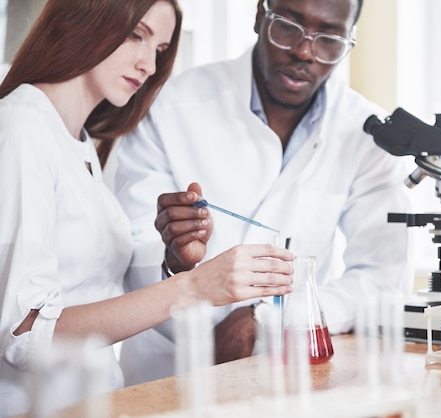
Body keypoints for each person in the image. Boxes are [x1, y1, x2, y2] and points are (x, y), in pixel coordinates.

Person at [0, 1, 294, 416]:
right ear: (83, 16)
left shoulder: (79, 141)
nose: (149, 65)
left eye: (159, 49)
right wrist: (194, 289)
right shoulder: (22, 127)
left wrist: (176, 261)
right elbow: (24, 333)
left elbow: (90, 290)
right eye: (136, 35)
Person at [115, 0, 414, 385]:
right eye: (288, 25)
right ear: (260, 15)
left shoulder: (365, 132)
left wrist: (271, 317)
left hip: (292, 375)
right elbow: (133, 255)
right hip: (168, 376)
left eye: (330, 38)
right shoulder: (170, 106)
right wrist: (177, 263)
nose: (305, 51)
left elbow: (381, 277)